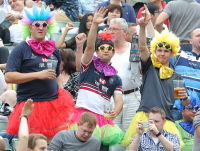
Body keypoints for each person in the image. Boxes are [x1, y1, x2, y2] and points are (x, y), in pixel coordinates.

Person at [5, 4, 75, 143]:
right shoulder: (21, 49)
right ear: (30, 27)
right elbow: (9, 77)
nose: (41, 27)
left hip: (52, 105)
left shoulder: (53, 49)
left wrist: (61, 92)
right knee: (32, 144)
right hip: (30, 105)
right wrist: (37, 75)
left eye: (44, 24)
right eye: (37, 24)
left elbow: (57, 75)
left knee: (50, 144)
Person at [121, 8, 189, 148]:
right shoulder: (150, 66)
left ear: (172, 53)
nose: (162, 54)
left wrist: (185, 98)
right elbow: (142, 47)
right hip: (145, 115)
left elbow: (186, 104)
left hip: (166, 120)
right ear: (155, 51)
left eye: (166, 51)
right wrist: (142, 27)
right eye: (159, 50)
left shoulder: (177, 76)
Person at [68, 7, 124, 151]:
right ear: (97, 52)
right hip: (82, 116)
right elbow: (89, 47)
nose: (106, 49)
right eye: (102, 47)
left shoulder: (116, 78)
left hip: (102, 121)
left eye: (109, 48)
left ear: (113, 53)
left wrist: (116, 112)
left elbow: (119, 102)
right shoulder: (88, 66)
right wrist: (94, 25)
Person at [108, 18, 141, 134]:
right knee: (111, 134)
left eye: (115, 29)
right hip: (111, 97)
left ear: (125, 32)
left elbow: (143, 71)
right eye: (110, 29)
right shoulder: (104, 49)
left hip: (131, 95)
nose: (111, 32)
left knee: (131, 134)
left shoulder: (135, 48)